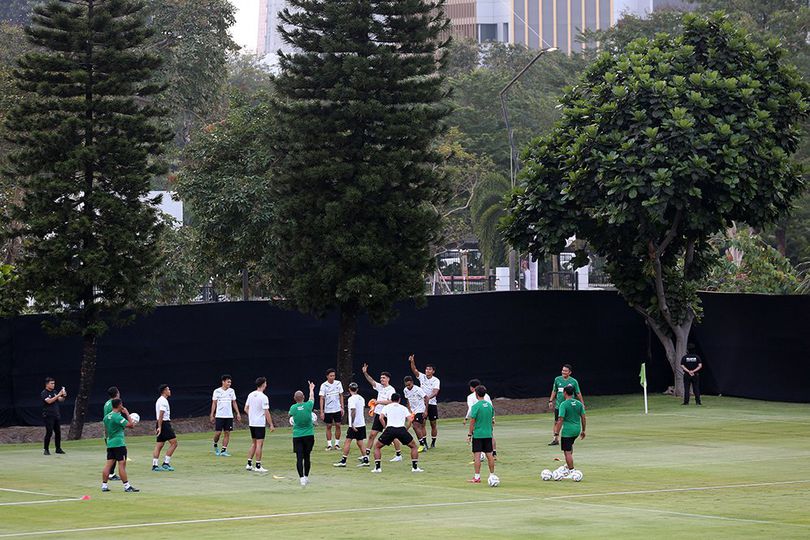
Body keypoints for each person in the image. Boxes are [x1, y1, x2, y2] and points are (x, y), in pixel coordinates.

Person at [372, 393, 423, 473]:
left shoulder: (386, 407)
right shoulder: (403, 408)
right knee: (413, 447)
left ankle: (377, 468)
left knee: (377, 447)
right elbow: (410, 420)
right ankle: (415, 468)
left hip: (390, 429)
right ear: (399, 400)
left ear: (391, 400)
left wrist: (385, 427)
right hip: (401, 429)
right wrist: (406, 429)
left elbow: (381, 418)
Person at [361, 363, 400, 462]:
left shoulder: (391, 389)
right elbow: (371, 381)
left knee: (393, 435)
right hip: (379, 414)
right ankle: (366, 455)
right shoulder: (380, 387)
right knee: (372, 434)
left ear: (388, 379)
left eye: (383, 378)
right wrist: (365, 373)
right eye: (381, 378)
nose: (381, 379)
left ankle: (398, 455)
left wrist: (378, 402)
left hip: (387, 415)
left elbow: (391, 401)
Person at [101, 398, 139, 492]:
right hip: (119, 444)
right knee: (122, 465)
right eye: (121, 404)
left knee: (108, 465)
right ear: (119, 405)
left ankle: (104, 485)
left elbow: (109, 429)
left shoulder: (106, 417)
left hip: (110, 443)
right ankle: (127, 486)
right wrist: (127, 413)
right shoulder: (118, 417)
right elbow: (131, 425)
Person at [553, 384, 586, 477]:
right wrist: (583, 430)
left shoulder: (563, 404)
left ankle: (571, 471)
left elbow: (560, 420)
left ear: (564, 393)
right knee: (570, 446)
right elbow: (583, 417)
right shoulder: (579, 404)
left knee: (567, 452)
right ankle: (568, 466)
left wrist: (556, 433)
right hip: (577, 429)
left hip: (568, 431)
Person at [333, 382, 369, 467]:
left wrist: (352, 423)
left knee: (347, 441)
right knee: (360, 442)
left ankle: (343, 461)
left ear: (349, 389)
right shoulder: (361, 398)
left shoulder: (351, 399)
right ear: (357, 389)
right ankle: (366, 460)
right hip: (361, 424)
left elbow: (353, 410)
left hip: (354, 424)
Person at [547, 364, 584, 446]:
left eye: (565, 371)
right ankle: (555, 439)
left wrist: (582, 403)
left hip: (570, 405)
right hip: (559, 405)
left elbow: (578, 393)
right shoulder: (557, 379)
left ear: (570, 372)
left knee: (570, 421)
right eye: (563, 370)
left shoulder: (574, 381)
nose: (563, 372)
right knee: (557, 421)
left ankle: (570, 437)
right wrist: (550, 400)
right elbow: (554, 390)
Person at [409, 354, 441, 448]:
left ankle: (433, 442)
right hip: (422, 405)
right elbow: (414, 370)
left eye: (430, 369)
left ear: (433, 371)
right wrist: (412, 361)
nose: (427, 370)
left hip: (432, 404)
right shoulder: (422, 377)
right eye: (426, 369)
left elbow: (435, 392)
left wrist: (427, 398)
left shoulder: (436, 380)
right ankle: (425, 443)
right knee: (422, 424)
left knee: (433, 424)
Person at [467, 385, 496, 484]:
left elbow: (472, 421)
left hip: (478, 435)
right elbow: (492, 420)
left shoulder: (475, 406)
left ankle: (477, 477)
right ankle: (492, 475)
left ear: (476, 394)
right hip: (488, 434)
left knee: (477, 456)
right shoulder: (489, 406)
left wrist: (469, 434)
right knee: (490, 456)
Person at [289, 381, 317, 486]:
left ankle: (301, 478)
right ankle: (306, 476)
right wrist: (311, 389)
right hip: (309, 435)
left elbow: (290, 415)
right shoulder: (308, 405)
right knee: (307, 456)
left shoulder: (293, 408)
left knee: (299, 457)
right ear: (303, 397)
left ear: (294, 399)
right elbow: (312, 398)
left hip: (297, 436)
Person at [245, 377, 275, 473]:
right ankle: (258, 465)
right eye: (265, 383)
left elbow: (246, 408)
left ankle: (249, 464)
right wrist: (271, 424)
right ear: (263, 384)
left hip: (252, 423)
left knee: (254, 443)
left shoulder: (250, 394)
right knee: (259, 444)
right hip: (259, 424)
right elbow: (266, 412)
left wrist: (252, 415)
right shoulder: (263, 397)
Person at [103, 386, 131, 480]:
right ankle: (121, 481)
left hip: (109, 433)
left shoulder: (107, 404)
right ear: (117, 393)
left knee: (110, 459)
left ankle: (105, 484)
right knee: (120, 461)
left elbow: (106, 419)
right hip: (114, 436)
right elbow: (129, 424)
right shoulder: (114, 406)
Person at [464, 379, 496, 458]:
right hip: (487, 417)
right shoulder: (486, 395)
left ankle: (479, 454)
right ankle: (493, 453)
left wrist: (466, 418)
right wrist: (493, 417)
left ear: (472, 388)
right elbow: (491, 407)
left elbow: (471, 409)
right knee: (490, 434)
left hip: (477, 417)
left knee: (477, 434)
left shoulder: (470, 396)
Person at [210, 374, 241, 456]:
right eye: (228, 382)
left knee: (227, 433)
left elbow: (234, 402)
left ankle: (224, 450)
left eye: (230, 382)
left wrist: (238, 413)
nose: (229, 384)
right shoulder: (217, 391)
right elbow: (214, 403)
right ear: (223, 382)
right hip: (219, 415)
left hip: (229, 416)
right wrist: (212, 414)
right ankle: (215, 444)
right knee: (218, 433)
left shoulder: (232, 391)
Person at [153, 384, 178, 472]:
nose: (169, 391)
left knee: (159, 445)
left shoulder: (159, 400)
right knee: (174, 443)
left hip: (160, 423)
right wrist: (160, 426)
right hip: (164, 424)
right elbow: (161, 414)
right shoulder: (163, 401)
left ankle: (155, 465)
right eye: (168, 389)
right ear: (164, 391)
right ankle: (166, 463)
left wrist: (158, 425)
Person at [319, 368, 344, 451]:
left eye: (333, 376)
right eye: (331, 376)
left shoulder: (338, 383)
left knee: (338, 425)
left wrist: (342, 407)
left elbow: (341, 395)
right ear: (327, 376)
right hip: (328, 410)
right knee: (329, 426)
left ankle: (337, 444)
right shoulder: (324, 385)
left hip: (337, 409)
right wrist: (322, 412)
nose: (332, 377)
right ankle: (329, 444)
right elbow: (321, 398)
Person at [402, 375, 429, 451]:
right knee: (420, 427)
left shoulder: (418, 389)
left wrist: (426, 410)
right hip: (413, 411)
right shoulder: (405, 390)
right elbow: (408, 400)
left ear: (412, 383)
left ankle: (422, 444)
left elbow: (426, 398)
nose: (408, 387)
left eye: (409, 385)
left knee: (415, 426)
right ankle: (424, 444)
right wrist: (409, 410)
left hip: (420, 410)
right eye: (406, 385)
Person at [41, 377, 66, 455]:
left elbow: (60, 400)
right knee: (49, 432)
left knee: (58, 432)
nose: (53, 385)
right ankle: (46, 449)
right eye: (51, 383)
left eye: (54, 383)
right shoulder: (44, 393)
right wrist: (59, 394)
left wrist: (64, 395)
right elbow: (49, 401)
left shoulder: (54, 392)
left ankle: (58, 448)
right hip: (48, 415)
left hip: (56, 415)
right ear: (47, 384)